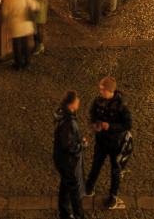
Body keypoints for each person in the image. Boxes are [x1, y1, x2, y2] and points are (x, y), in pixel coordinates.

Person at [85, 76, 131, 210]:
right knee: (95, 165)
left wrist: (110, 126)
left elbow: (127, 124)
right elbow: (92, 114)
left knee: (115, 170)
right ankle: (89, 187)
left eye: (103, 89)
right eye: (100, 89)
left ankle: (113, 196)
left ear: (110, 91)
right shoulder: (98, 101)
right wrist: (95, 124)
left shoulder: (121, 106)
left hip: (116, 143)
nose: (100, 92)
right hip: (101, 141)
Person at [53, 91, 86, 219]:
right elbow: (69, 146)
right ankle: (78, 215)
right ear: (71, 105)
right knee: (74, 190)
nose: (79, 102)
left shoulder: (62, 114)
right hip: (68, 162)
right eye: (77, 100)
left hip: (60, 159)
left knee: (65, 184)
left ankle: (64, 212)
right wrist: (81, 145)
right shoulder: (69, 122)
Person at [2, 0, 39, 70]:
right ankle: (27, 63)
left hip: (16, 27)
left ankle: (18, 64)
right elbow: (36, 6)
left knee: (16, 46)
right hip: (26, 26)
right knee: (26, 45)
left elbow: (5, 13)